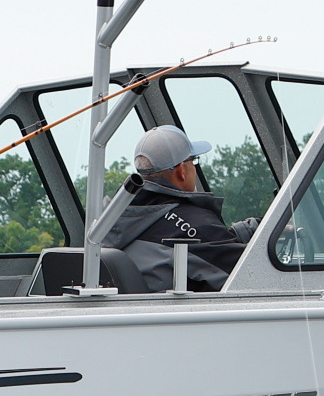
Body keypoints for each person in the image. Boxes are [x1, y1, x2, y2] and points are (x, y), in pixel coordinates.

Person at [103, 125, 259, 292]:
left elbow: (194, 239)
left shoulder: (111, 221)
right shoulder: (197, 224)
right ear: (181, 170)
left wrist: (248, 230)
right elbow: (251, 275)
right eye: (193, 161)